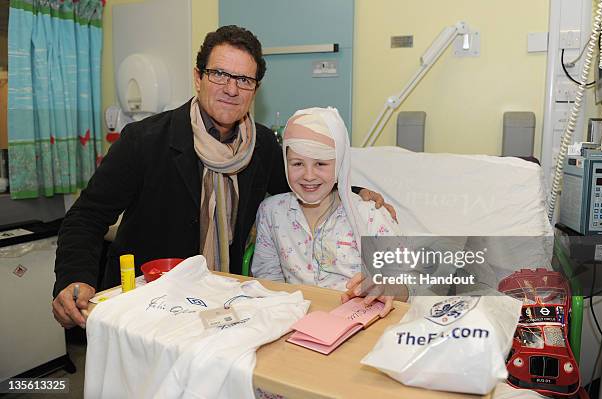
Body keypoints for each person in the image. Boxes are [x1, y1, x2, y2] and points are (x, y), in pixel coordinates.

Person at [52, 25, 395, 329]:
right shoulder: (145, 141)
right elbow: (86, 216)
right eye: (219, 74)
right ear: (198, 77)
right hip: (150, 300)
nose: (231, 89)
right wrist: (73, 278)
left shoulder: (262, 148)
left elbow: (303, 183)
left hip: (221, 303)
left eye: (244, 80)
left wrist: (356, 191)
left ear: (254, 90)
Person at [252, 107, 406, 317]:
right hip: (292, 322)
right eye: (297, 163)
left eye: (320, 164)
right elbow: (268, 281)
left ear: (339, 164)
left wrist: (388, 287)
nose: (308, 175)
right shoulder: (272, 212)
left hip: (357, 323)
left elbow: (407, 285)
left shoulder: (370, 216)